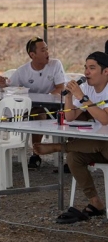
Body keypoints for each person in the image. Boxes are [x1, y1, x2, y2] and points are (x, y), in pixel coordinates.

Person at [34, 51, 108, 224]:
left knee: (97, 141)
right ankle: (95, 202)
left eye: (92, 68)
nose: (86, 72)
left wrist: (82, 97)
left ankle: (58, 147)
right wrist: (69, 96)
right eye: (85, 67)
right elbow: (70, 117)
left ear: (106, 72)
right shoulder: (88, 88)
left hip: (104, 144)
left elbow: (104, 119)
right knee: (74, 158)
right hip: (97, 146)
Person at [0, 36, 66, 169]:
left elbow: (60, 88)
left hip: (55, 108)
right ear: (32, 55)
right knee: (37, 114)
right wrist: (3, 84)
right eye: (43, 50)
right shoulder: (23, 71)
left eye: (47, 49)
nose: (47, 53)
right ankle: (35, 154)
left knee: (46, 114)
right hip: (33, 109)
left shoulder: (55, 64)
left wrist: (45, 98)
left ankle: (65, 155)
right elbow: (10, 88)